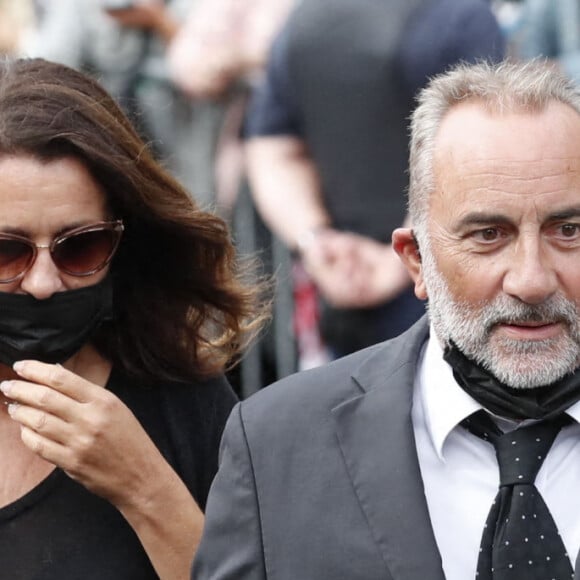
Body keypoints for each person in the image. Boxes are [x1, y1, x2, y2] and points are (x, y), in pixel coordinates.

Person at [192, 59, 580, 579]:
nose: (531, 280)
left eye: (569, 230)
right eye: (488, 235)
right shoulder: (277, 445)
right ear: (416, 260)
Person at [0, 57, 266, 580]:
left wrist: (144, 488)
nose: (43, 282)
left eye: (81, 247)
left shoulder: (180, 403)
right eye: (7, 252)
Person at [244, 0, 505, 361]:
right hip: (420, 280)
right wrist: (320, 242)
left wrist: (320, 244)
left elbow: (274, 148)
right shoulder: (461, 15)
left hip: (369, 274)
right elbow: (484, 144)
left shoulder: (301, 21)